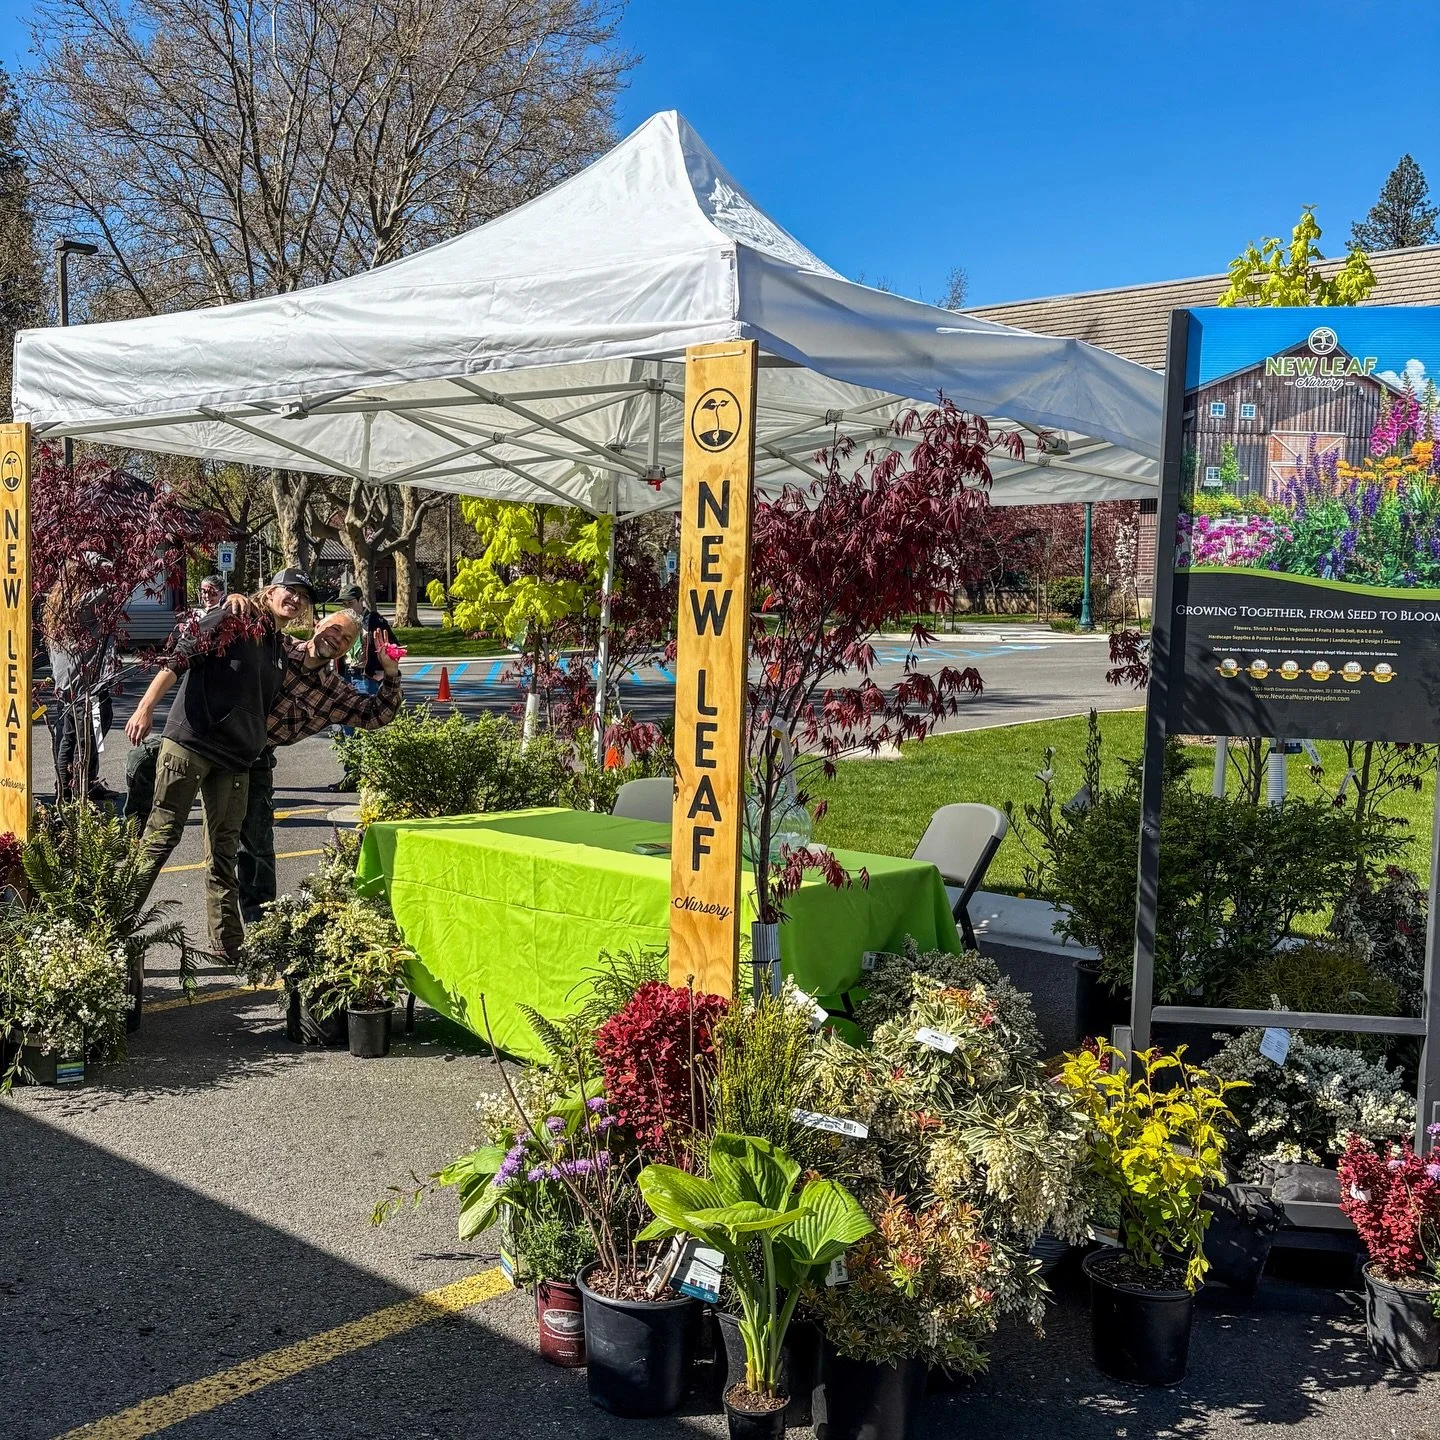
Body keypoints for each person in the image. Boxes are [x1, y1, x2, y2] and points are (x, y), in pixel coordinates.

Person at [124, 569, 314, 962]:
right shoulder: (233, 617)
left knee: (224, 853)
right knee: (160, 840)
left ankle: (228, 944)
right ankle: (113, 925)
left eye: (301, 596)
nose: (293, 599)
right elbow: (180, 657)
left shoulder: (279, 646)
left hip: (236, 760)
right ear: (270, 590)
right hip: (191, 744)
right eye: (288, 591)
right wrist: (145, 708)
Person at [237, 611, 403, 922]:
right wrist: (234, 600)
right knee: (145, 766)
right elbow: (240, 628)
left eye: (346, 639)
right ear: (317, 624)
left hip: (255, 757)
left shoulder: (333, 691)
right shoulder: (278, 647)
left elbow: (376, 714)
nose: (336, 640)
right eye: (334, 629)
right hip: (214, 739)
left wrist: (391, 674)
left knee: (256, 844)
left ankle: (258, 927)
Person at [42, 562, 117, 804]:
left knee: (70, 736)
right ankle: (78, 788)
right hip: (86, 685)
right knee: (89, 737)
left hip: (65, 683)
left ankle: (66, 788)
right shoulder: (86, 602)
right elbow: (116, 583)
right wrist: (95, 559)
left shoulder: (58, 603)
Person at [339, 585, 396, 697]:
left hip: (366, 677)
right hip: (345, 675)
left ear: (361, 600)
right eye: (344, 604)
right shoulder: (342, 622)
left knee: (367, 711)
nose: (347, 608)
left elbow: (394, 646)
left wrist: (383, 671)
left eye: (350, 603)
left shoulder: (375, 621)